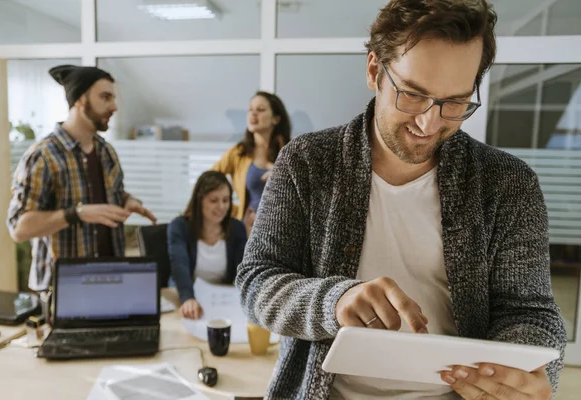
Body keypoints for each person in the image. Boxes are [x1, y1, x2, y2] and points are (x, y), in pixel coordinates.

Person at [235, 1, 566, 399]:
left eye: (455, 103)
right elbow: (256, 285)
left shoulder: (509, 184)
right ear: (374, 71)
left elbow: (531, 313)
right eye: (412, 95)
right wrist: (334, 300)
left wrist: (518, 368)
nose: (429, 123)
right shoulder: (306, 162)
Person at [7, 65, 157, 291]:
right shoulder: (42, 157)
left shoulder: (106, 152)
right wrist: (76, 214)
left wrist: (127, 201)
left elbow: (110, 193)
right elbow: (19, 228)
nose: (114, 106)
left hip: (111, 282)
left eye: (113, 98)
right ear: (79, 99)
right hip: (63, 292)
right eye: (105, 97)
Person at [168, 171, 247, 320]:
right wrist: (188, 298)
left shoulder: (236, 229)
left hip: (221, 298)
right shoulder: (179, 227)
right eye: (214, 200)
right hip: (187, 293)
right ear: (200, 200)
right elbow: (180, 267)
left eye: (226, 200)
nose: (221, 206)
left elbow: (242, 272)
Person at [212, 91, 291, 234]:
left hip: (283, 230)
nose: (253, 114)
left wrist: (282, 174)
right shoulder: (238, 153)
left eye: (260, 110)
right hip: (248, 231)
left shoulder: (290, 152)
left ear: (276, 119)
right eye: (250, 109)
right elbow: (207, 182)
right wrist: (232, 210)